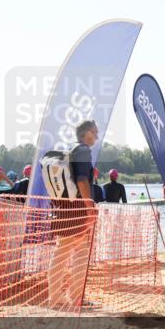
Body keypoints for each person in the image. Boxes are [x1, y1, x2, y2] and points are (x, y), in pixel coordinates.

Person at [49, 120, 100, 311]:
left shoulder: (69, 149)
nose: (97, 135)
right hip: (78, 208)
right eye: (95, 132)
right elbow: (81, 180)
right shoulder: (84, 150)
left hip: (63, 207)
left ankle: (56, 297)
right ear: (87, 132)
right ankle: (76, 296)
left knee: (61, 252)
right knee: (80, 252)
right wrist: (89, 207)